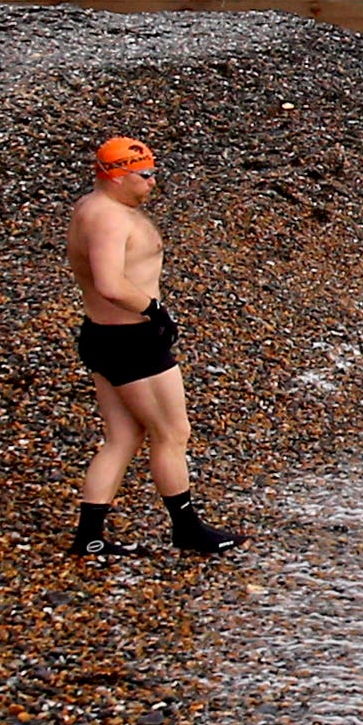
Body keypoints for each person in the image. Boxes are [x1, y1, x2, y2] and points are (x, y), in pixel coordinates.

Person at [67, 135, 241, 557]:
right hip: (130, 339)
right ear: (117, 177)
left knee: (123, 437)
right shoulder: (108, 218)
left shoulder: (90, 209)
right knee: (172, 432)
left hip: (104, 335)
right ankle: (187, 529)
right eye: (144, 176)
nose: (152, 184)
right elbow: (109, 283)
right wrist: (155, 309)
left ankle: (88, 538)